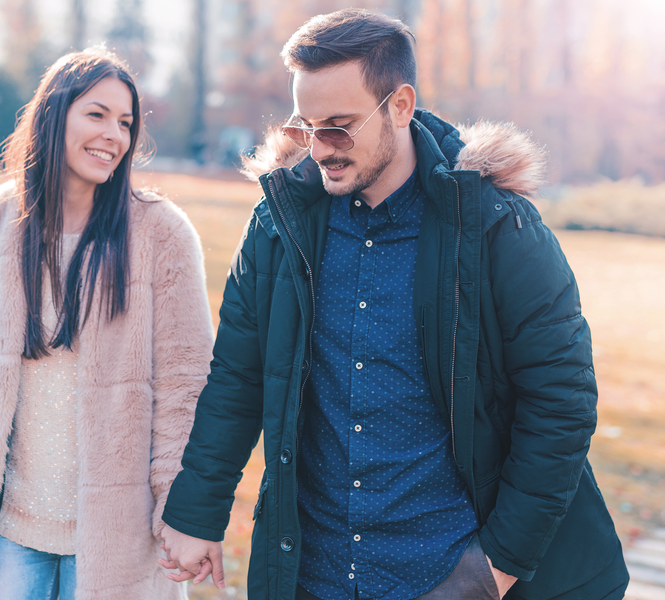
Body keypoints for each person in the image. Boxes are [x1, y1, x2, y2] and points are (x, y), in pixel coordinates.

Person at [158, 9, 628, 600]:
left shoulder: (496, 227)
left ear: (401, 105)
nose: (320, 148)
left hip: (454, 577)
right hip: (314, 576)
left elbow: (560, 402)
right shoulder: (278, 228)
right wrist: (196, 512)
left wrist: (495, 569)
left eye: (340, 126)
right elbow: (237, 377)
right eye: (307, 127)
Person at [0, 47, 214, 600]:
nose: (114, 136)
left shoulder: (161, 233)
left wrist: (182, 509)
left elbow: (185, 386)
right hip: (6, 529)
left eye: (125, 122)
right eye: (96, 114)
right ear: (55, 114)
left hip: (119, 536)